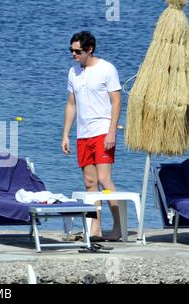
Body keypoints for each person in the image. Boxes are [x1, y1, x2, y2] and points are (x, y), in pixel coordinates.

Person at [61, 31, 122, 241]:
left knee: (104, 179)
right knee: (89, 182)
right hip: (83, 133)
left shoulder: (107, 69)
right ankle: (95, 228)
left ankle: (119, 225)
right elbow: (71, 104)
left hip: (103, 131)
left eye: (77, 51)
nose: (73, 54)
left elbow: (116, 101)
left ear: (89, 49)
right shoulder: (73, 72)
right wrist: (66, 134)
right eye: (71, 50)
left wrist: (112, 132)